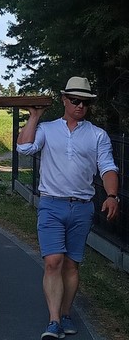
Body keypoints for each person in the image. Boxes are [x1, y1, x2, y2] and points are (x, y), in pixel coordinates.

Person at [16, 76, 119, 340]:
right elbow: (25, 147)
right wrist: (34, 117)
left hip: (82, 207)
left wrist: (112, 195)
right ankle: (53, 322)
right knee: (53, 262)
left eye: (85, 102)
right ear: (64, 100)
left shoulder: (97, 135)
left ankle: (65, 313)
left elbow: (107, 167)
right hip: (51, 204)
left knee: (71, 266)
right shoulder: (48, 129)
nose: (80, 105)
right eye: (75, 100)